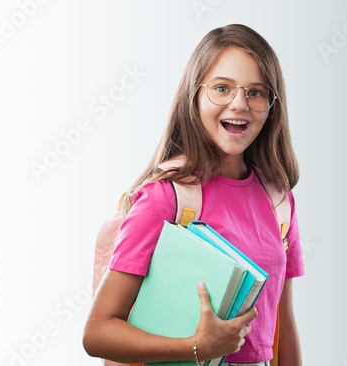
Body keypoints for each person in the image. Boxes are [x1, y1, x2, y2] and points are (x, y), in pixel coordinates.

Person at [83, 24, 305, 365]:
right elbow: (98, 333)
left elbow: (283, 327)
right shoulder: (166, 198)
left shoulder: (279, 202)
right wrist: (197, 346)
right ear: (195, 96)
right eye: (222, 88)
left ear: (272, 106)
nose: (239, 104)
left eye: (256, 92)